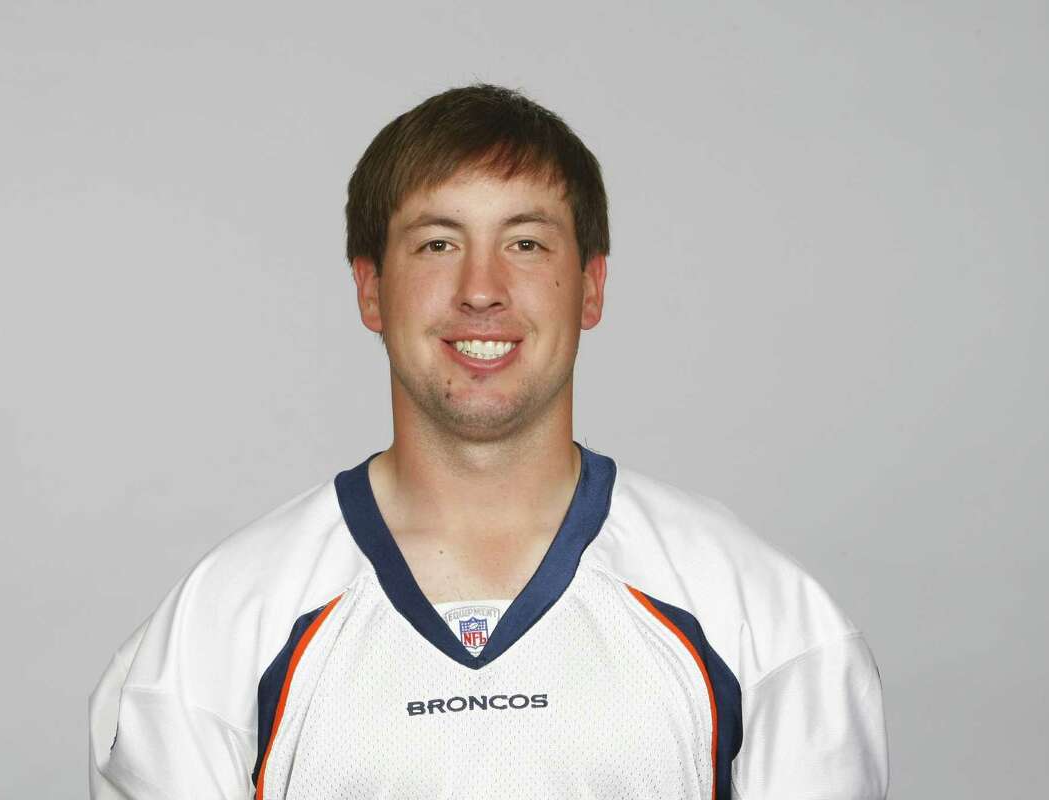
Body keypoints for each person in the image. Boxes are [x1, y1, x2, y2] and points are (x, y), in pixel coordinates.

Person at [89, 83, 889, 799]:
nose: (480, 290)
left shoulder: (762, 617)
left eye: (527, 243)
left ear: (592, 286)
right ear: (371, 289)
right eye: (438, 244)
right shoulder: (222, 626)